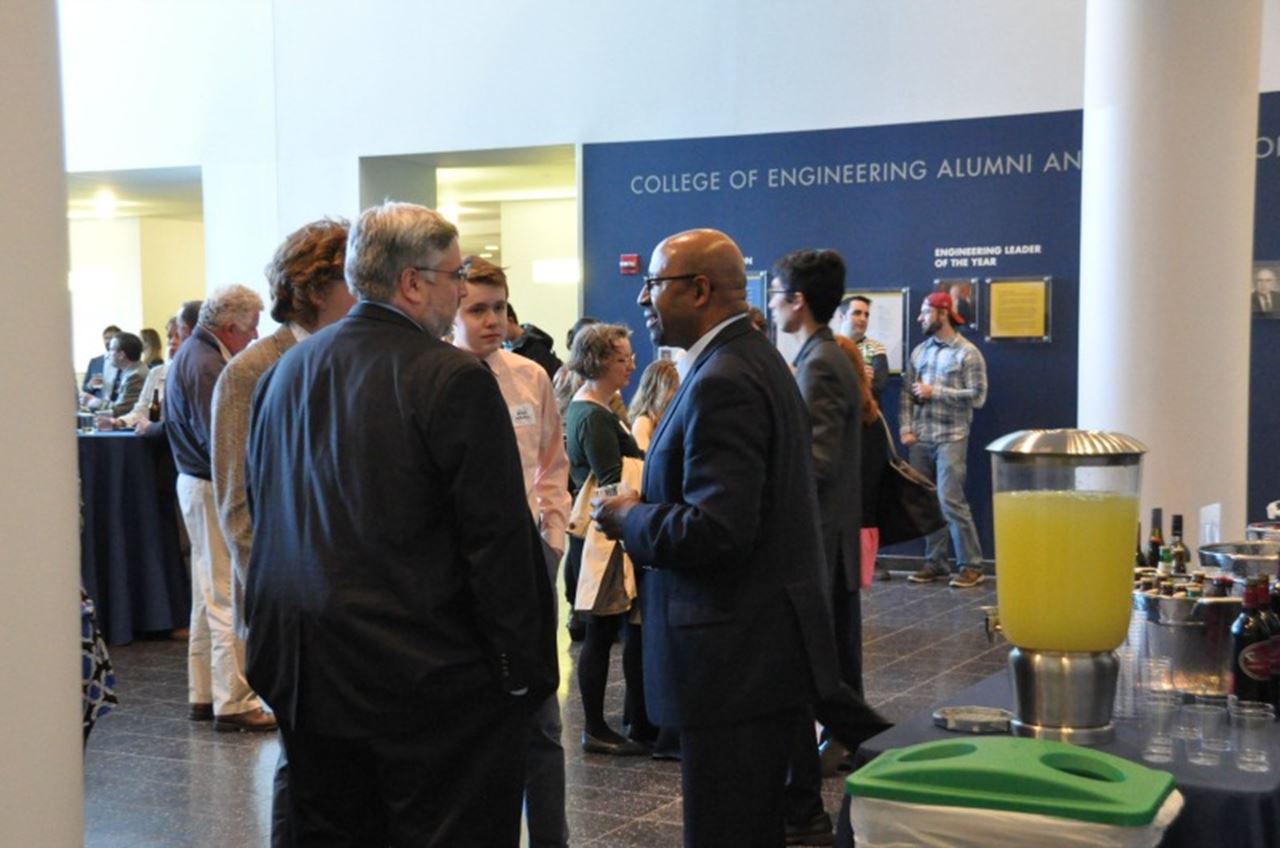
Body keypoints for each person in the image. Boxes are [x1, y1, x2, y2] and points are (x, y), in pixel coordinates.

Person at [243, 201, 556, 845]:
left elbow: (268, 517)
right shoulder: (452, 378)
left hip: (308, 676)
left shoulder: (281, 375)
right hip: (427, 686)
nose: (462, 290)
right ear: (412, 282)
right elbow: (495, 543)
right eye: (454, 275)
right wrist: (524, 674)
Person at [593, 228, 840, 848]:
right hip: (751, 652)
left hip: (731, 661)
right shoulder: (749, 358)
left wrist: (630, 518)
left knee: (726, 828)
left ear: (699, 290)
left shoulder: (723, 377)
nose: (643, 298)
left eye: (654, 283)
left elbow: (718, 529)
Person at [454, 256, 571, 848]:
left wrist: (552, 539)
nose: (492, 321)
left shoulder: (529, 376)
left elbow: (553, 465)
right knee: (472, 722)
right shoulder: (436, 379)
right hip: (460, 574)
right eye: (477, 309)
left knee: (542, 719)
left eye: (499, 308)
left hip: (528, 563)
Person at [769, 249, 871, 844]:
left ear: (798, 300)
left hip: (819, 545)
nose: (771, 303)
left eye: (776, 293)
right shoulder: (821, 356)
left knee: (817, 678)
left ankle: (817, 795)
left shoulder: (821, 363)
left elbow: (817, 461)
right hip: (827, 542)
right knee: (823, 675)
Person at [165, 284, 276, 732]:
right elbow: (221, 440)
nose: (255, 337)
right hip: (211, 486)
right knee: (226, 593)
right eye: (251, 328)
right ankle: (234, 701)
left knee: (204, 595)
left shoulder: (191, 355)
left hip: (194, 483)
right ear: (229, 326)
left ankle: (204, 693)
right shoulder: (209, 364)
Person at [565, 322, 654, 756]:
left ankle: (617, 722)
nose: (631, 366)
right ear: (599, 361)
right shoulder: (594, 415)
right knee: (600, 633)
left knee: (606, 631)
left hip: (607, 537)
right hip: (605, 540)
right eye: (623, 358)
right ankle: (596, 727)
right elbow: (612, 482)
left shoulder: (598, 408)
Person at [901, 291, 988, 588]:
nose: (920, 318)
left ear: (943, 313)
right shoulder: (919, 352)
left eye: (925, 312)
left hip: (952, 436)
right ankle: (935, 563)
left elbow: (978, 397)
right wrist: (906, 428)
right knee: (926, 504)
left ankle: (972, 566)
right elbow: (907, 393)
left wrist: (935, 392)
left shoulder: (968, 353)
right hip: (921, 437)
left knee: (950, 500)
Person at [81, 332, 147, 417]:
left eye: (111, 350)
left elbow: (120, 410)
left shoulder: (135, 376)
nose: (108, 354)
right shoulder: (131, 370)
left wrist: (92, 401)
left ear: (121, 355)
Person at [836, 295, 888, 402]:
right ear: (842, 317)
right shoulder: (829, 346)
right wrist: (859, 377)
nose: (863, 319)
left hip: (865, 410)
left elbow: (878, 386)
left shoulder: (876, 347)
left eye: (866, 315)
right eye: (857, 313)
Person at [627, 359, 679, 451]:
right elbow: (644, 458)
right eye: (673, 388)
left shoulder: (667, 418)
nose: (676, 393)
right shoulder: (643, 423)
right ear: (657, 390)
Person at [505, 301, 564, 379]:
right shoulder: (500, 348)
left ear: (510, 320)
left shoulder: (536, 346)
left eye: (499, 325)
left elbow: (549, 377)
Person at [81, 324, 122, 398]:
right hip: (97, 403)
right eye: (106, 338)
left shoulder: (124, 361)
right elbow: (84, 388)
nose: (108, 341)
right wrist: (90, 385)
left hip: (119, 403)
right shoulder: (94, 362)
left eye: (112, 338)